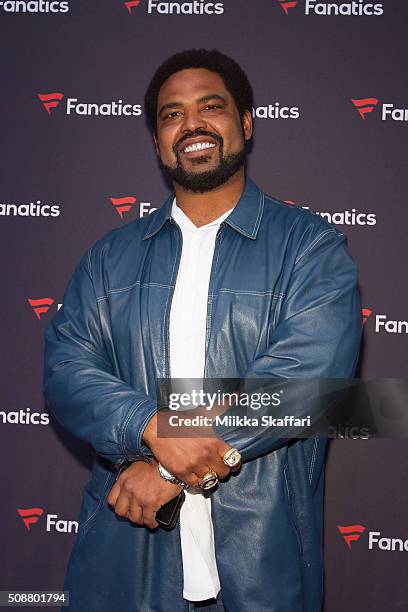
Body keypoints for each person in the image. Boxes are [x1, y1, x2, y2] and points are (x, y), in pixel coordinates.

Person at [43, 49, 362, 612]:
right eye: (171, 115)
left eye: (210, 107)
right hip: (128, 555)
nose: (191, 124)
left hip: (263, 557)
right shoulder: (108, 258)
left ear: (245, 123)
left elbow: (307, 378)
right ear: (158, 142)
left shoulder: (309, 246)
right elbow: (67, 370)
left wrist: (167, 463)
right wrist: (144, 423)